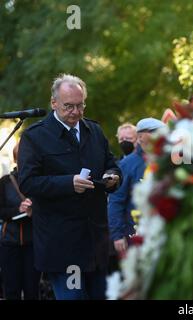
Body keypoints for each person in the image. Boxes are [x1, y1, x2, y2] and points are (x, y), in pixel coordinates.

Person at [18, 74, 122, 300]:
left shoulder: (94, 131)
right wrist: (68, 183)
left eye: (80, 105)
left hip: (96, 243)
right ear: (53, 103)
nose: (75, 112)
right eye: (69, 106)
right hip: (64, 248)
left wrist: (113, 176)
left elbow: (111, 165)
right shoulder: (34, 137)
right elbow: (27, 182)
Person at [108, 118, 166, 255]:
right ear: (140, 137)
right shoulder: (127, 164)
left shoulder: (166, 160)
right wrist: (117, 235)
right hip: (134, 235)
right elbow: (116, 201)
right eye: (153, 132)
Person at [0, 142, 41, 299]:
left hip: (33, 243)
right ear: (16, 159)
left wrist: (34, 209)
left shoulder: (39, 181)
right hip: (9, 243)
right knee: (11, 290)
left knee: (32, 290)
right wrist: (18, 209)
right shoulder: (4, 182)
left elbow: (48, 209)